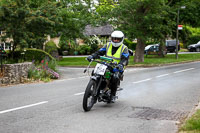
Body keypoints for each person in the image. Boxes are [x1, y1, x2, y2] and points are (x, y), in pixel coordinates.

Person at [87, 30, 129, 102]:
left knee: (115, 77)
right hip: (105, 64)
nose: (115, 41)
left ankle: (113, 94)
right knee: (94, 71)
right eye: (114, 39)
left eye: (117, 39)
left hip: (117, 67)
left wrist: (121, 64)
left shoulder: (124, 48)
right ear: (111, 38)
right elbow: (99, 52)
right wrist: (92, 56)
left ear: (121, 39)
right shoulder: (108, 45)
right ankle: (95, 88)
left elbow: (125, 58)